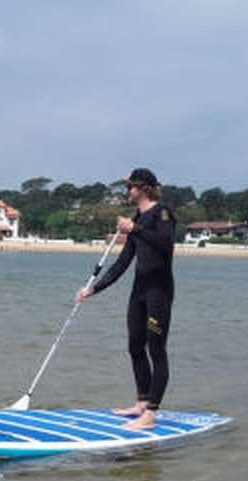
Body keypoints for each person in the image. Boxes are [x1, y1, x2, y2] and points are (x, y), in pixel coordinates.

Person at [75, 168, 175, 429]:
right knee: (134, 346)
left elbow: (165, 243)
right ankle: (142, 402)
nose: (127, 191)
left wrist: (135, 228)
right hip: (139, 292)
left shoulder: (162, 213)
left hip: (159, 292)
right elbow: (122, 262)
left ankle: (151, 414)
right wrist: (94, 289)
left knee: (156, 350)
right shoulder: (138, 218)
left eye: (130, 187)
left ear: (143, 188)